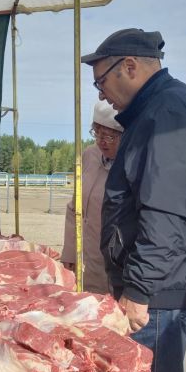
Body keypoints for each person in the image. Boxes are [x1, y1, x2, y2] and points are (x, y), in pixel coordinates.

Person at [81, 28, 186, 372]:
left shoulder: (166, 113)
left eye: (101, 83)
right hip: (161, 289)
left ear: (129, 66)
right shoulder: (158, 109)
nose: (102, 95)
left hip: (159, 295)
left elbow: (167, 212)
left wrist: (139, 290)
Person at [61, 100, 122, 293]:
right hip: (87, 260)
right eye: (97, 133)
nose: (101, 141)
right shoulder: (89, 155)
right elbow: (75, 209)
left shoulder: (135, 161)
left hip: (117, 263)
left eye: (110, 136)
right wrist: (70, 251)